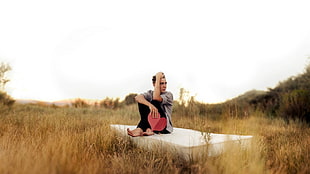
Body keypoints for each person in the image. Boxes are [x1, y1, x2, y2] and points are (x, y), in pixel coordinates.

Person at [127, 72, 173, 137]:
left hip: (163, 127)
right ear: (154, 84)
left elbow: (156, 97)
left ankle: (143, 128)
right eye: (161, 83)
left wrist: (158, 77)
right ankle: (146, 129)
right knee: (143, 101)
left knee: (155, 101)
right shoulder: (150, 93)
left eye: (165, 83)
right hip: (151, 124)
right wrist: (150, 105)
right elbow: (137, 97)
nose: (164, 85)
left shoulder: (168, 95)